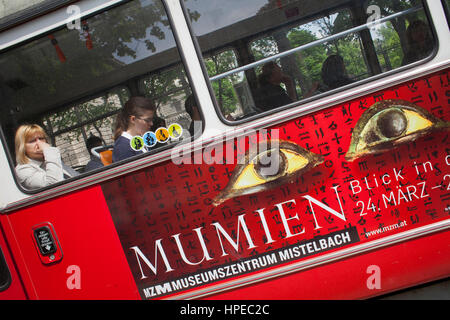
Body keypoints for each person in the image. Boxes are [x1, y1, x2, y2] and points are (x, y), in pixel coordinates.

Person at [15, 124, 78, 190]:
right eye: (32, 141)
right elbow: (55, 184)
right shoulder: (23, 170)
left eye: (41, 138)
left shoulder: (49, 160)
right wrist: (49, 151)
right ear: (22, 147)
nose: (40, 143)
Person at [112, 96, 155, 162]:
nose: (151, 124)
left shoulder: (142, 139)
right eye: (147, 120)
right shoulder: (123, 148)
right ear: (133, 119)